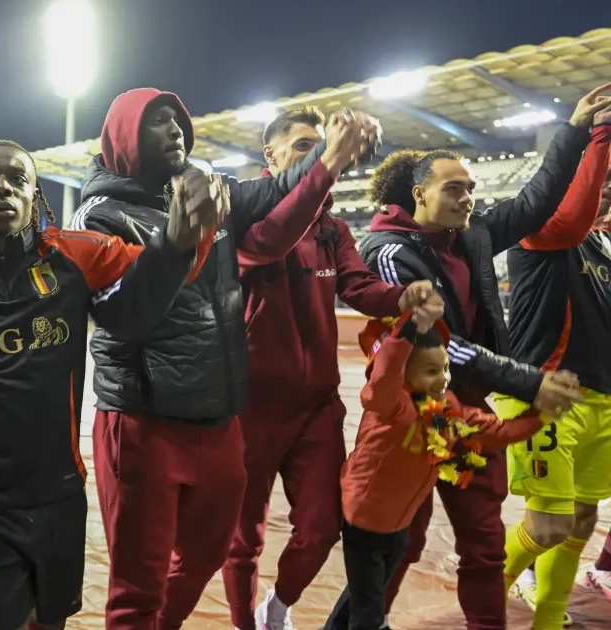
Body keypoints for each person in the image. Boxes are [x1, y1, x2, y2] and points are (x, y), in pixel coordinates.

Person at [69, 87, 379, 629]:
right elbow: (120, 314)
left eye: (178, 120)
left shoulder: (208, 190)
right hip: (143, 420)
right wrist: (174, 243)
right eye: (157, 121)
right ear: (123, 136)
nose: (175, 130)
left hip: (217, 416)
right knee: (138, 588)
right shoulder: (98, 215)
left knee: (207, 555)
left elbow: (275, 188)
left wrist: (328, 157)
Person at [0, 139, 223, 630]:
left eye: (17, 179)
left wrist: (182, 241)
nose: (1, 188)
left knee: (50, 622)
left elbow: (151, 272)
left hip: (59, 495)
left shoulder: (73, 256)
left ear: (35, 197)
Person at [356, 85, 611, 629]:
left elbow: (534, 202)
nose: (467, 198)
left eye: (471, 189)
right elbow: (439, 343)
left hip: (467, 410)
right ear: (419, 193)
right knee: (399, 543)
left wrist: (574, 131)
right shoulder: (390, 253)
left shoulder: (470, 237)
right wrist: (527, 381)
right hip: (413, 416)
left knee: (485, 543)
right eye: (454, 188)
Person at [221, 106, 436, 630]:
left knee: (322, 527)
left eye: (320, 145)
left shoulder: (332, 229)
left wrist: (401, 296)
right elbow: (273, 238)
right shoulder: (245, 215)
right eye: (303, 147)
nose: (316, 154)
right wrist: (330, 162)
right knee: (242, 538)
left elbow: (359, 286)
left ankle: (276, 607)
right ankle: (245, 624)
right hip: (250, 405)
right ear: (270, 156)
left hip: (315, 404)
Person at [326, 310, 552, 630]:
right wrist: (408, 326)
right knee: (369, 611)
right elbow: (385, 372)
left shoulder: (444, 409)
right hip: (364, 524)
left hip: (398, 525)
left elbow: (493, 429)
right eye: (432, 371)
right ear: (403, 372)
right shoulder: (389, 405)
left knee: (370, 596)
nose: (443, 378)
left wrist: (540, 415)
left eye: (446, 368)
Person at [499, 108, 611, 629]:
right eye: (599, 185)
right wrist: (599, 137)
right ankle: (483, 599)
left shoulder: (603, 248)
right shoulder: (540, 231)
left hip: (601, 400)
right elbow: (572, 214)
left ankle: (547, 621)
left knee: (582, 519)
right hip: (546, 394)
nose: (604, 193)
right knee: (547, 526)